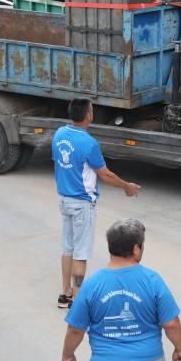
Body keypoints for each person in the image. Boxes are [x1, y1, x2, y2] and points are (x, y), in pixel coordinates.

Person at [61, 218, 181, 361]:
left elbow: (75, 329)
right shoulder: (152, 280)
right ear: (136, 248)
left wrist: (68, 355)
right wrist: (180, 349)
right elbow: (171, 324)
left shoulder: (92, 284)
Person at [53, 97, 141, 309]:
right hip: (82, 204)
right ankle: (77, 298)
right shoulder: (88, 143)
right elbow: (105, 175)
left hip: (64, 200)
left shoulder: (59, 134)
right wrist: (126, 186)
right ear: (88, 115)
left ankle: (64, 295)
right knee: (81, 254)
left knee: (68, 249)